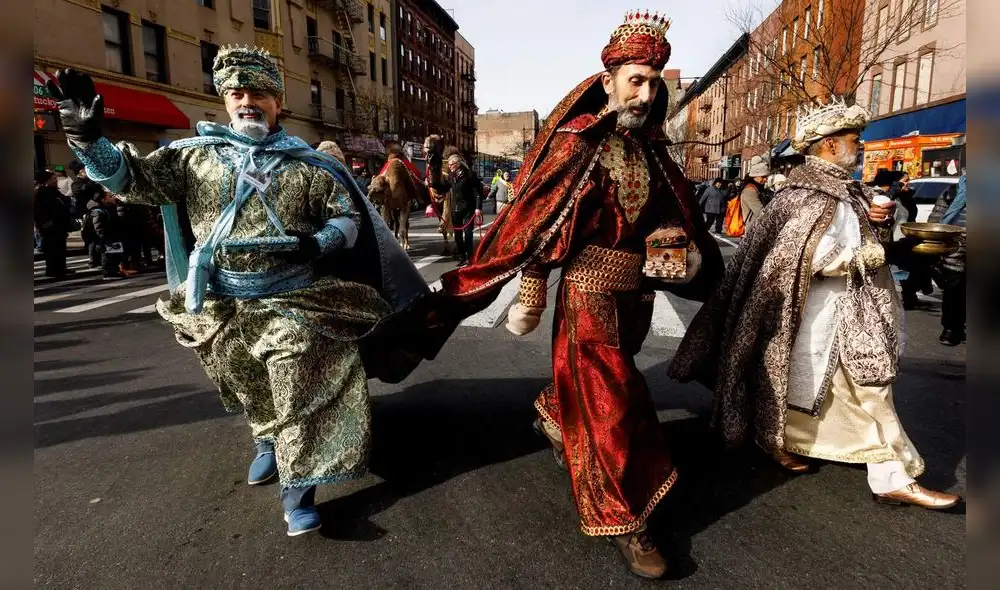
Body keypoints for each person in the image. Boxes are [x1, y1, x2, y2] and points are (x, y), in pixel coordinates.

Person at [50, 47, 443, 537]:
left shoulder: (308, 165)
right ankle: (266, 443)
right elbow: (135, 181)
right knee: (246, 380)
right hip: (222, 304)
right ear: (225, 100)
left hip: (293, 301)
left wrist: (314, 242)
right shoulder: (191, 157)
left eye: (258, 93)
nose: (247, 101)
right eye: (236, 93)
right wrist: (88, 140)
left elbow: (346, 216)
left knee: (297, 381)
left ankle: (297, 492)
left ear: (278, 101)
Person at [431, 10, 723, 578]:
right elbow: (540, 221)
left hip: (637, 294)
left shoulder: (656, 150)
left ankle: (554, 412)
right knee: (616, 401)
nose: (645, 92)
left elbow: (675, 213)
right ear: (609, 80)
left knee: (601, 389)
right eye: (635, 80)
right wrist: (534, 287)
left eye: (653, 82)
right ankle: (626, 519)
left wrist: (678, 244)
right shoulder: (577, 144)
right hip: (588, 291)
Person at [669, 100, 960, 511]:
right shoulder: (805, 195)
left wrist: (877, 226)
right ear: (828, 146)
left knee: (850, 389)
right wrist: (865, 258)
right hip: (820, 315)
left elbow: (842, 238)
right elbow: (800, 257)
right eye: (852, 140)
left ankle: (871, 467)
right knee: (862, 389)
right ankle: (891, 475)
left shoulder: (845, 189)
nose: (859, 146)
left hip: (852, 312)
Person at [929, 173, 966, 346]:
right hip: (955, 247)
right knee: (954, 289)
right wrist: (934, 244)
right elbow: (937, 217)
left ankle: (954, 329)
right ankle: (951, 329)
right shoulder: (954, 190)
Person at [34, 170, 72, 278]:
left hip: (59, 225)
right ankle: (53, 270)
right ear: (46, 181)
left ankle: (62, 268)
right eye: (53, 179)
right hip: (50, 227)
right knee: (52, 249)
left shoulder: (55, 191)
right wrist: (47, 224)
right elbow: (40, 211)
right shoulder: (41, 193)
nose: (55, 180)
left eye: (55, 178)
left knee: (60, 248)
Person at [446, 154, 482, 267]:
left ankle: (470, 256)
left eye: (451, 165)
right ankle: (462, 256)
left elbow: (477, 192)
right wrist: (431, 184)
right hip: (455, 209)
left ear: (457, 164)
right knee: (457, 235)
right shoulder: (451, 176)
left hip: (468, 208)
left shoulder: (469, 175)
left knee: (467, 233)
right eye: (449, 165)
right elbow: (444, 187)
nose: (449, 167)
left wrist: (477, 208)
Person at [739, 155, 770, 230]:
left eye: (766, 176)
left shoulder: (757, 188)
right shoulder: (750, 191)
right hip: (753, 228)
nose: (765, 179)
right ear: (754, 176)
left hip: (758, 227)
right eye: (762, 177)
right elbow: (760, 212)